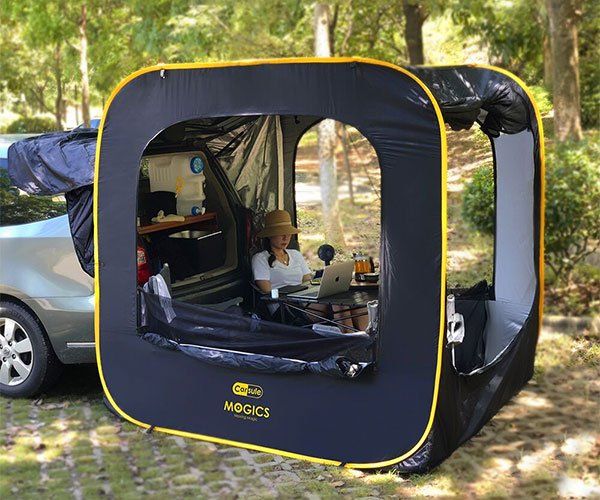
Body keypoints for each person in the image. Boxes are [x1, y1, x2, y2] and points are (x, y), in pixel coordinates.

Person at [252, 209, 366, 331]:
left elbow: (307, 281)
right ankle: (350, 337)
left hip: (303, 300)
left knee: (352, 300)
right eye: (281, 234)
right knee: (336, 301)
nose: (285, 237)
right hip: (284, 307)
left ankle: (364, 334)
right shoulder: (261, 258)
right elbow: (266, 290)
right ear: (270, 235)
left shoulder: (295, 254)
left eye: (288, 233)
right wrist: (294, 293)